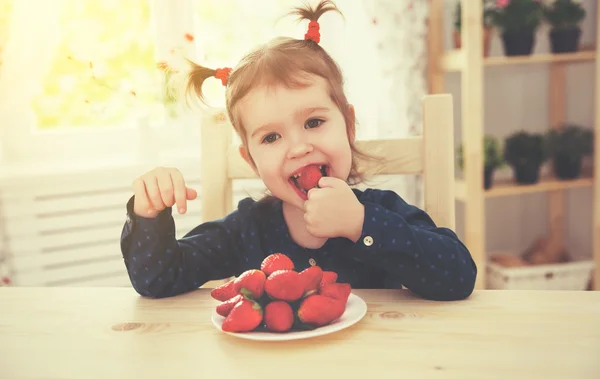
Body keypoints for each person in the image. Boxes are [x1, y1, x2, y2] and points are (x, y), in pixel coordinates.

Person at [120, 0, 477, 301]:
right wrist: (149, 216)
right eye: (271, 138)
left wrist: (361, 225)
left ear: (348, 127)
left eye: (313, 123)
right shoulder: (246, 230)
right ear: (252, 161)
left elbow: (459, 276)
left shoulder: (381, 212)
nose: (299, 147)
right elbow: (158, 280)